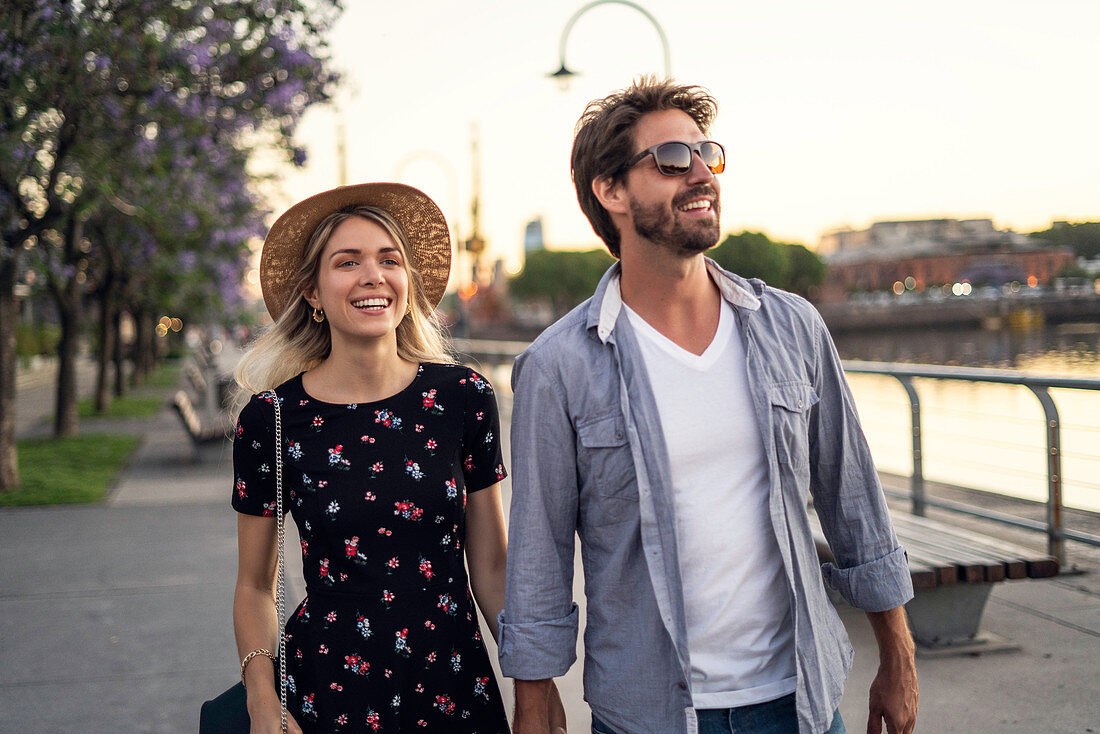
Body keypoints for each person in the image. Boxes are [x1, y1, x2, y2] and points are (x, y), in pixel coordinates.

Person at [498, 78, 919, 734]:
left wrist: (898, 653)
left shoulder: (793, 328)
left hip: (802, 701)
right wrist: (532, 700)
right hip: (650, 712)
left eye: (707, 155)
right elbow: (539, 555)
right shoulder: (560, 366)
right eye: (671, 160)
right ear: (611, 191)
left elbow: (853, 497)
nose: (701, 174)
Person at [230, 183, 511, 733]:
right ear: (312, 292)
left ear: (407, 283)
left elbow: (494, 569)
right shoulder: (272, 420)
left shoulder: (463, 398)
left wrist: (534, 684)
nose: (372, 276)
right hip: (330, 696)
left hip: (455, 689)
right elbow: (254, 587)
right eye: (347, 262)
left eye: (389, 260)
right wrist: (261, 702)